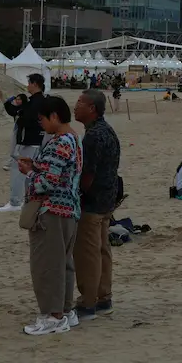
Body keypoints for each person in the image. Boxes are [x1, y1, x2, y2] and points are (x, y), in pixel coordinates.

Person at [20, 95, 83, 336]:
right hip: (69, 211)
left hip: (52, 212)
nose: (41, 124)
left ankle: (53, 316)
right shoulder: (73, 139)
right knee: (63, 264)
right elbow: (57, 172)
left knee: (47, 265)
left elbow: (47, 182)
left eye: (42, 119)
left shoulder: (60, 142)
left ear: (55, 116)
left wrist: (29, 175)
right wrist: (35, 166)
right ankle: (65, 312)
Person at [72, 90, 120, 321]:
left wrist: (78, 194)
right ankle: (104, 297)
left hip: (92, 203)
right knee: (102, 250)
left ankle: (88, 302)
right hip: (107, 200)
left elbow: (87, 174)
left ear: (92, 108)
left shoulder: (93, 136)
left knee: (87, 253)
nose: (75, 106)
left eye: (80, 102)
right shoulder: (106, 130)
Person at [0, 73, 48, 213]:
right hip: (35, 141)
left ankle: (15, 202)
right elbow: (17, 112)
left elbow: (28, 119)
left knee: (19, 170)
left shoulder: (36, 102)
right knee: (30, 173)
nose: (27, 86)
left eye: (29, 83)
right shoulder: (37, 100)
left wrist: (20, 118)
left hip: (29, 141)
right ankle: (27, 199)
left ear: (34, 84)